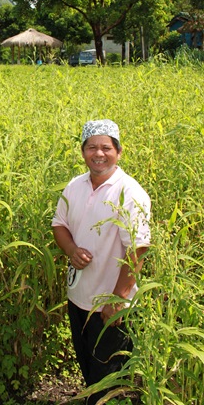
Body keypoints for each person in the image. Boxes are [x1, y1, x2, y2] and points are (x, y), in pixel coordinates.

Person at [52, 120, 150, 404]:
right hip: (79, 297)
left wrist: (117, 300)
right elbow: (59, 224)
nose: (99, 154)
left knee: (109, 380)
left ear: (118, 152)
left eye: (106, 147)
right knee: (88, 368)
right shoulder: (75, 185)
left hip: (109, 306)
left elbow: (138, 249)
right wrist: (71, 249)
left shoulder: (130, 193)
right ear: (83, 152)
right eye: (92, 147)